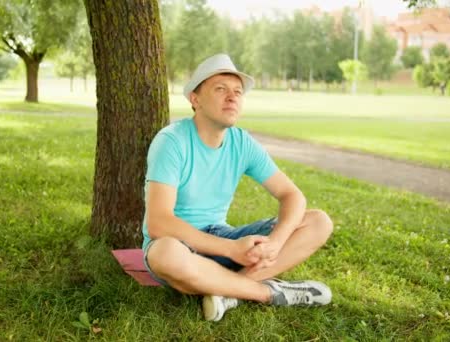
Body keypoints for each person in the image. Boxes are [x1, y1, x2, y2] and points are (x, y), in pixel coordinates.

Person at [141, 53, 333, 322]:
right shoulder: (171, 141)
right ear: (195, 100)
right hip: (180, 247)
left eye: (237, 92)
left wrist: (275, 244)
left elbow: (292, 196)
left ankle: (226, 292)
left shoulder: (241, 143)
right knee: (165, 254)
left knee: (318, 222)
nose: (232, 97)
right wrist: (231, 250)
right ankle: (267, 292)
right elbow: (159, 223)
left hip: (220, 236)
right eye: (220, 89)